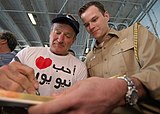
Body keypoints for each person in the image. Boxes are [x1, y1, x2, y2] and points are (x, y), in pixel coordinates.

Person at [28, 1, 160, 114]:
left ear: (106, 16)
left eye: (94, 20)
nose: (91, 27)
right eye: (86, 24)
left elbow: (157, 68)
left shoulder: (135, 34)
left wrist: (123, 88)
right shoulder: (88, 60)